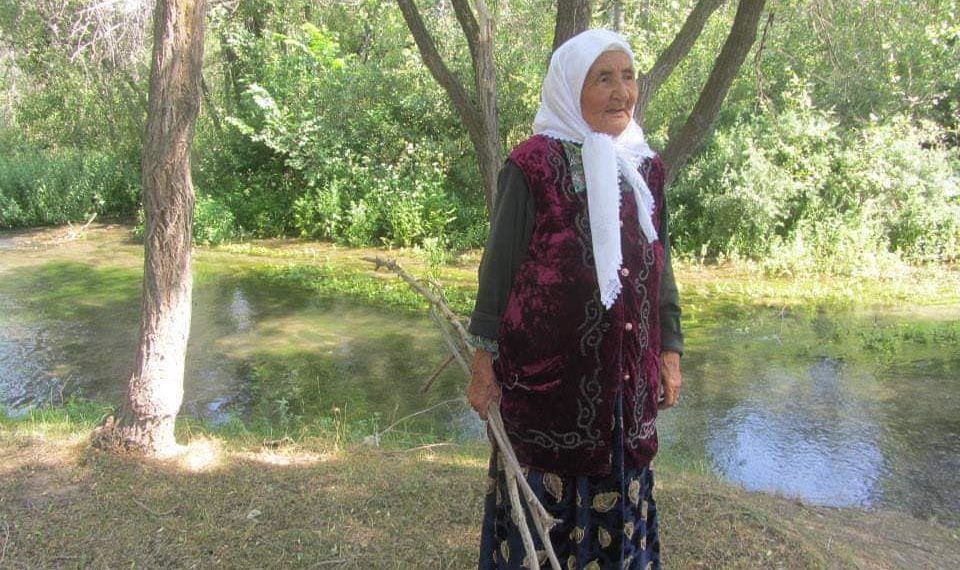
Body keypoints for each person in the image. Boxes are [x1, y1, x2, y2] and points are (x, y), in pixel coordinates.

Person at [466, 29, 684, 570]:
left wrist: (670, 350)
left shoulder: (646, 167)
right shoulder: (533, 166)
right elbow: (498, 272)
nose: (621, 91)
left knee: (618, 495)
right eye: (603, 78)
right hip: (548, 387)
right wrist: (483, 363)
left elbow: (660, 268)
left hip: (626, 382)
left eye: (628, 76)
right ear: (570, 87)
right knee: (546, 511)